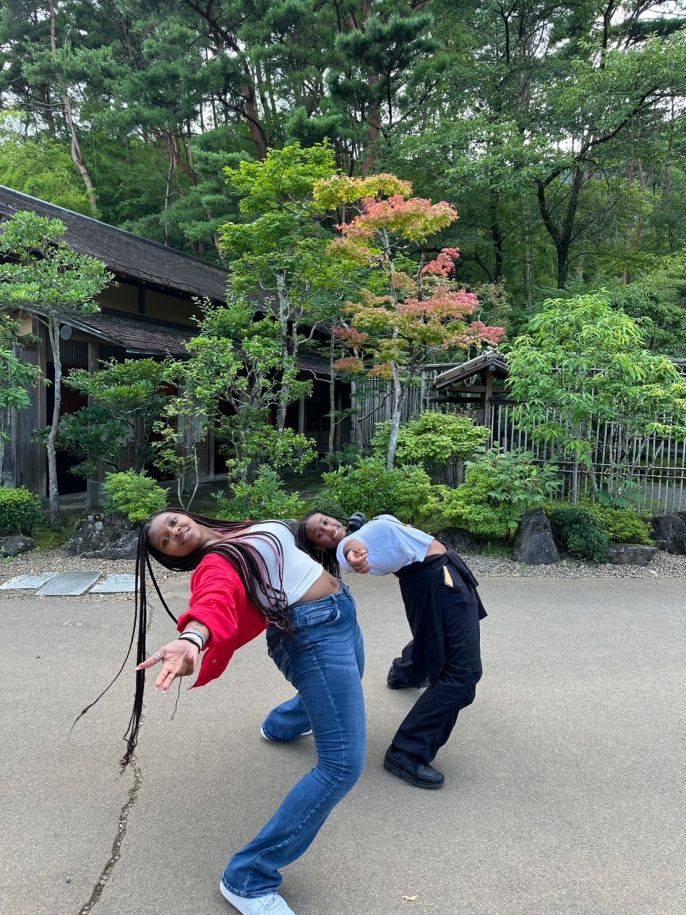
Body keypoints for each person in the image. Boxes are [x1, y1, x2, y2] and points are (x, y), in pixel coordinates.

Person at [107, 510, 365, 915]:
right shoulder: (217, 560)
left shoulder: (238, 526)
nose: (174, 531)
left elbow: (289, 544)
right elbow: (213, 600)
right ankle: (248, 878)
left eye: (172, 522)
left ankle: (282, 725)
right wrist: (192, 638)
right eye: (167, 540)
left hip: (339, 612)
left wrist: (328, 535)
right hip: (311, 636)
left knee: (348, 687)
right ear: (175, 556)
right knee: (343, 764)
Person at [297, 511, 486, 791]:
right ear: (320, 547)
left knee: (431, 636)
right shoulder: (349, 547)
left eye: (325, 521)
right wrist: (354, 554)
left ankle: (405, 672)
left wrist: (357, 529)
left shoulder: (360, 529)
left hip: (433, 579)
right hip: (437, 582)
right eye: (319, 534)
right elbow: (353, 549)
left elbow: (364, 534)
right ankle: (407, 752)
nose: (328, 529)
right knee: (462, 673)